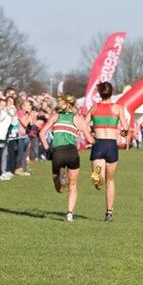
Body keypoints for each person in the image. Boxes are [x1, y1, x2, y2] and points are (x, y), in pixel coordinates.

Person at [39, 93, 95, 222]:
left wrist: (47, 148)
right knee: (73, 185)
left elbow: (42, 133)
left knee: (59, 189)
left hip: (57, 153)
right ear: (73, 104)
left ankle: (60, 178)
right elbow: (89, 138)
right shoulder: (78, 118)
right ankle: (69, 214)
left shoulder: (55, 116)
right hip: (72, 153)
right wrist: (96, 142)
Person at [88, 82, 129, 222]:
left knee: (97, 183)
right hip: (111, 145)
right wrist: (123, 133)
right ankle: (109, 213)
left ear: (100, 93)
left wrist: (91, 133)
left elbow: (83, 124)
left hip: (98, 144)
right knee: (111, 181)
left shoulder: (94, 108)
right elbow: (125, 128)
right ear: (111, 93)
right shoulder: (118, 108)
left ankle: (99, 177)